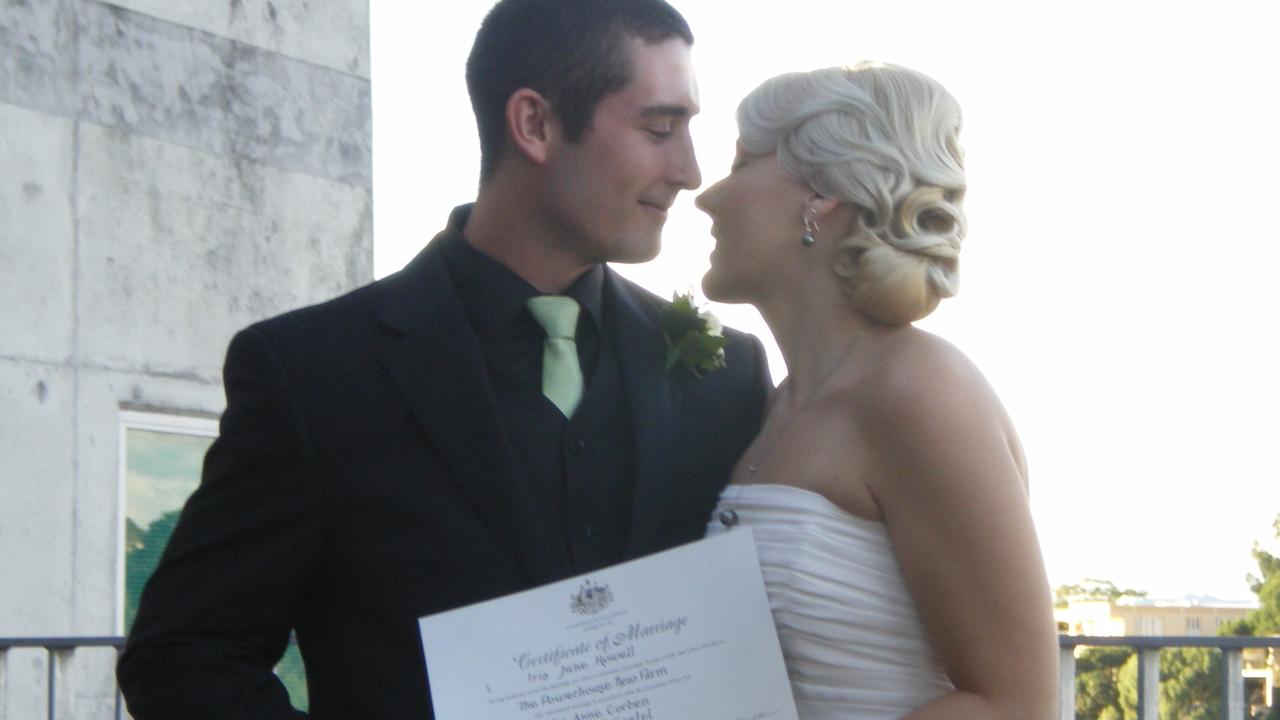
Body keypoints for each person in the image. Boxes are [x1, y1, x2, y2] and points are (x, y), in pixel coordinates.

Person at [115, 1, 771, 717]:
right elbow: (183, 655)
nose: (689, 170)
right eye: (658, 127)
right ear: (535, 125)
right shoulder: (311, 373)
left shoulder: (726, 376)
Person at [699, 63, 1057, 718]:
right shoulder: (774, 407)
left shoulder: (924, 392)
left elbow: (1017, 705)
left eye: (742, 162)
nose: (705, 196)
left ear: (823, 195)